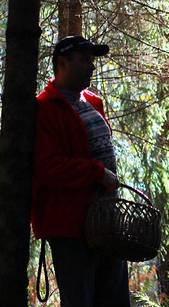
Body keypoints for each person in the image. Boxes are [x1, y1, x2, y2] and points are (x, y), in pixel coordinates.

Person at [31, 36, 130, 307]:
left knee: (115, 299)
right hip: (69, 225)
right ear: (62, 63)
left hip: (106, 221)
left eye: (92, 60)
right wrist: (97, 173)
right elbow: (48, 167)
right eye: (85, 60)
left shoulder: (93, 102)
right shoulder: (44, 109)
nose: (92, 66)